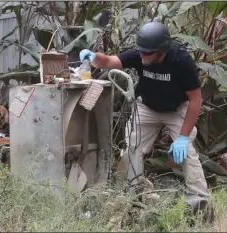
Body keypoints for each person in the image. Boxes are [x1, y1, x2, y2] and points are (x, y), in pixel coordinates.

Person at [79, 22, 211, 211]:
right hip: (147, 108)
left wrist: (182, 138)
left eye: (147, 53)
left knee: (187, 152)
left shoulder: (181, 61)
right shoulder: (140, 54)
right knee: (132, 147)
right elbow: (108, 61)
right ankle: (133, 194)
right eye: (141, 51)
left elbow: (196, 100)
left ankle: (200, 201)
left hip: (176, 109)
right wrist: (93, 57)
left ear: (161, 51)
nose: (142, 55)